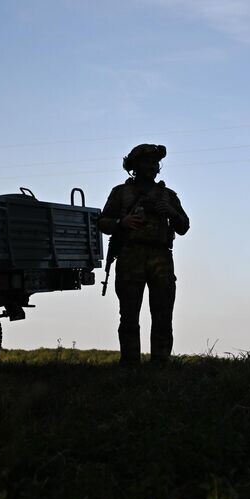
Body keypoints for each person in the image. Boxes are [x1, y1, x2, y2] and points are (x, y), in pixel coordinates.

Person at [99, 144, 190, 365]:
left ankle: (160, 364)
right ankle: (130, 365)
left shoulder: (167, 195)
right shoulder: (120, 193)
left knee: (162, 314)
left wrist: (171, 213)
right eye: (146, 162)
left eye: (154, 162)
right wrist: (123, 222)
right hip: (131, 255)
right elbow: (102, 222)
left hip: (161, 257)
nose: (151, 166)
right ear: (135, 166)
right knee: (129, 315)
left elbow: (184, 226)